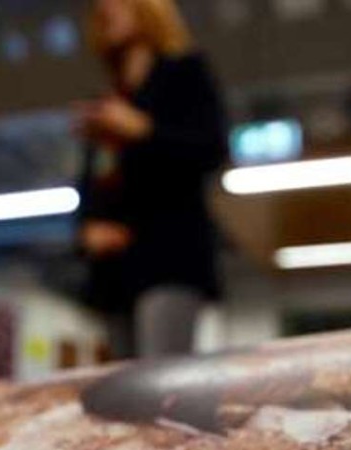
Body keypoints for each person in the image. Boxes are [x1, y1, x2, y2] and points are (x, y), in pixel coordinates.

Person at [76, 0, 228, 360]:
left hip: (170, 256)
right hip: (115, 271)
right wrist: (87, 228)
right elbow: (93, 179)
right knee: (125, 384)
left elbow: (211, 149)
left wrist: (142, 129)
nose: (106, 11)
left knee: (159, 381)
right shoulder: (111, 101)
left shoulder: (184, 73)